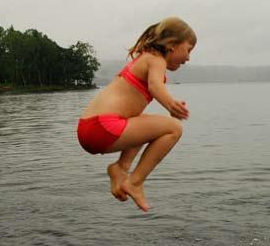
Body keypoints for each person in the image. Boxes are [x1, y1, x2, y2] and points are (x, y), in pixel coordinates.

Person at [77, 17, 196, 212]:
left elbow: (152, 88)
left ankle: (121, 168)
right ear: (173, 45)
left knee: (147, 124)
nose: (189, 58)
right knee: (174, 129)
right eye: (188, 50)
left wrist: (170, 106)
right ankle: (135, 182)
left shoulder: (144, 58)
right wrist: (170, 105)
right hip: (102, 127)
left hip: (89, 127)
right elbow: (155, 85)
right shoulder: (156, 60)